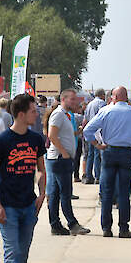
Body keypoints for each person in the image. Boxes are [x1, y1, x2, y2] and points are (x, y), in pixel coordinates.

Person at [0, 93, 46, 263]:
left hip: (28, 204)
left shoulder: (36, 140)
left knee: (23, 252)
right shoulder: (2, 142)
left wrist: (42, 194)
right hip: (8, 206)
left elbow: (41, 169)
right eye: (33, 111)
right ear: (21, 114)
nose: (37, 114)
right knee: (12, 250)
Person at [83, 86, 131, 238]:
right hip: (127, 152)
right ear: (126, 96)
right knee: (123, 192)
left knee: (107, 191)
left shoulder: (106, 110)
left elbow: (88, 130)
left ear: (113, 97)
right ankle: (123, 228)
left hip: (109, 150)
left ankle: (106, 227)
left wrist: (97, 144)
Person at [45, 89, 90, 236]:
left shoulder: (65, 115)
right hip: (59, 159)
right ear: (63, 99)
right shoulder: (58, 114)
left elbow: (63, 135)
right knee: (65, 193)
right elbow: (52, 135)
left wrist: (77, 132)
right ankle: (72, 224)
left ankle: (55, 225)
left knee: (55, 193)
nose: (75, 102)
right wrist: (64, 153)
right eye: (72, 99)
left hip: (60, 159)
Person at [81, 88, 107, 184]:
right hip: (98, 132)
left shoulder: (89, 105)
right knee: (97, 155)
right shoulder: (102, 104)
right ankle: (98, 176)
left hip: (89, 131)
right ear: (102, 95)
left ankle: (88, 176)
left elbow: (85, 119)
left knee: (89, 155)